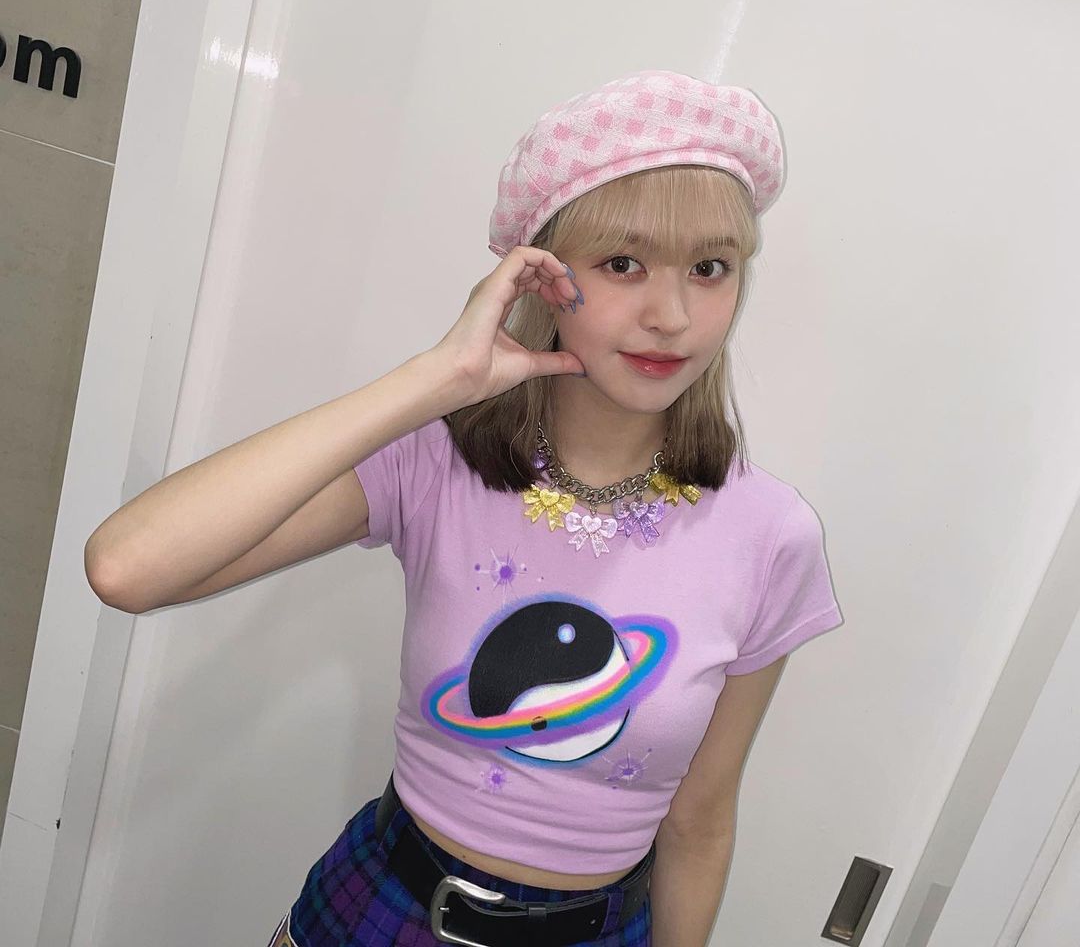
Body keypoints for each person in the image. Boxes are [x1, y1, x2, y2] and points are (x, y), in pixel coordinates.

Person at [85, 70, 844, 947]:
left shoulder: (770, 537)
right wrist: (436, 380)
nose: (671, 315)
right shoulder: (436, 462)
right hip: (378, 912)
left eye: (709, 269)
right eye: (622, 263)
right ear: (546, 278)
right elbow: (127, 567)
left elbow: (701, 821)